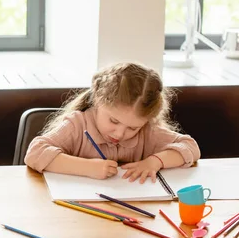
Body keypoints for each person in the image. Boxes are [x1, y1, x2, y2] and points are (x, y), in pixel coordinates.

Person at [24, 62, 200, 183]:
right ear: (98, 101)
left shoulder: (147, 131)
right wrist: (88, 168)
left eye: (132, 127)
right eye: (114, 120)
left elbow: (190, 147)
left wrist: (155, 161)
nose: (119, 134)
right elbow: (35, 153)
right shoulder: (77, 125)